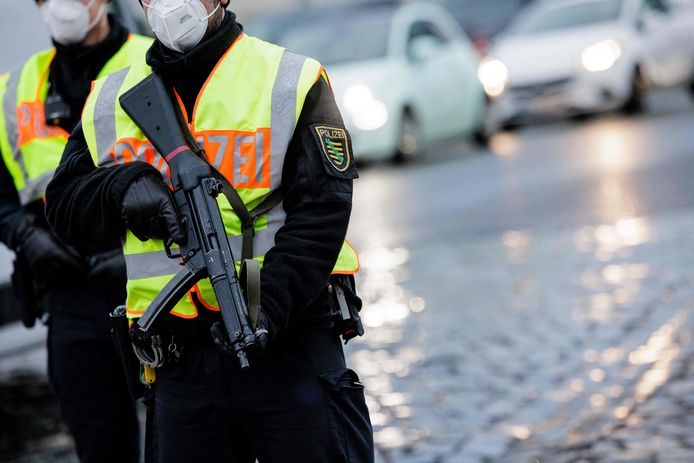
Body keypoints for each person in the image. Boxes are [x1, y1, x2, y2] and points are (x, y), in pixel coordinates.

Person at [45, 0, 374, 461]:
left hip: (287, 342)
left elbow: (323, 212)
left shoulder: (289, 78)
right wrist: (123, 188)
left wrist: (268, 305)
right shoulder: (111, 97)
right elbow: (64, 206)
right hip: (178, 363)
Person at [0, 1, 152, 461]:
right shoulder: (19, 87)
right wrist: (27, 238)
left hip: (153, 282)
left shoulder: (153, 63)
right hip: (67, 291)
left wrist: (130, 252)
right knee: (99, 441)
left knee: (184, 434)